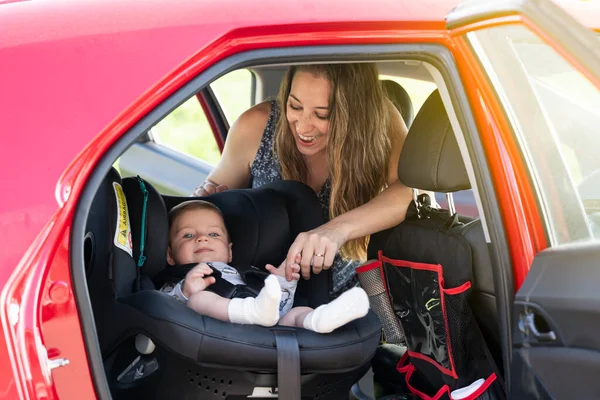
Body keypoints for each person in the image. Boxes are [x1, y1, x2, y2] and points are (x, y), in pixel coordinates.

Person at [192, 63, 413, 298]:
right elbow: (205, 209)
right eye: (295, 106)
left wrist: (337, 230)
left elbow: (410, 191)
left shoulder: (379, 120)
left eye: (322, 114)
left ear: (356, 114)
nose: (303, 126)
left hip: (349, 306)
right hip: (257, 300)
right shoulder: (255, 125)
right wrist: (204, 202)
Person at [162, 200, 370, 332]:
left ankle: (318, 320)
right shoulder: (176, 281)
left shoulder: (245, 275)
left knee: (297, 311)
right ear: (170, 256)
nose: (202, 239)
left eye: (213, 234)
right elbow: (162, 309)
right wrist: (185, 291)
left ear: (230, 251)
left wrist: (282, 281)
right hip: (216, 335)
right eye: (188, 235)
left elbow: (278, 308)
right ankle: (253, 311)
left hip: (268, 328)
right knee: (199, 299)